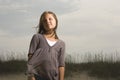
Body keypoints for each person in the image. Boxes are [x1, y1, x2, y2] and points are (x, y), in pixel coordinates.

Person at [27, 11, 65, 80]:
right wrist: (31, 76)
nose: (47, 21)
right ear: (42, 24)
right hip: (37, 77)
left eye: (50, 19)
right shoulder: (37, 37)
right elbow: (30, 58)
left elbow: (61, 65)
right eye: (44, 20)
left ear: (56, 21)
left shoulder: (61, 43)